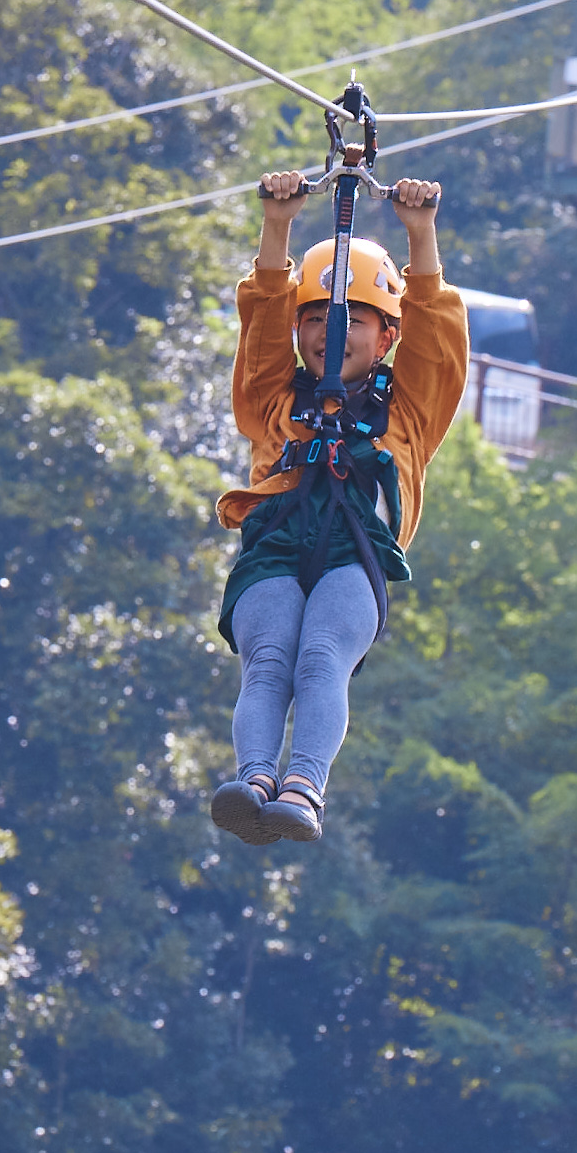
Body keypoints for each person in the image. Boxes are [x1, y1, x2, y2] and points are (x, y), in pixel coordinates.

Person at [210, 171, 467, 846]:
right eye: (317, 318)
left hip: (357, 553)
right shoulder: (273, 400)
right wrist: (277, 225)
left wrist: (420, 233)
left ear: (386, 339)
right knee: (269, 658)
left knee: (320, 655)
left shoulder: (406, 412)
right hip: (274, 545)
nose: (332, 332)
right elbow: (261, 320)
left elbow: (436, 336)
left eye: (352, 320)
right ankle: (256, 778)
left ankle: (303, 788)